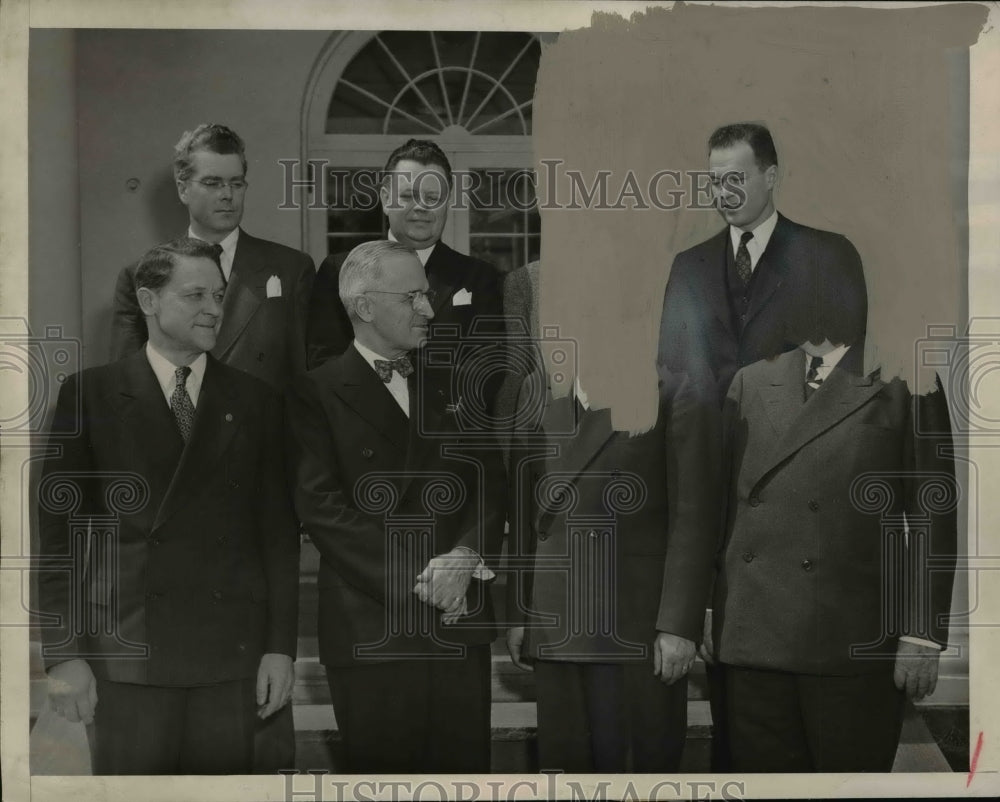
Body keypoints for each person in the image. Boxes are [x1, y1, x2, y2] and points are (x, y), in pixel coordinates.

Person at [38, 238, 300, 775]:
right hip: (126, 655)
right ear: (148, 301)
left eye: (220, 295)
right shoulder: (88, 396)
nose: (213, 308)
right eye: (195, 294)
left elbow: (277, 535)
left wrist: (280, 648)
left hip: (232, 657)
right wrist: (64, 655)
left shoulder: (256, 400)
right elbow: (61, 540)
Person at [656, 121, 870, 769]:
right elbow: (678, 393)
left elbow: (840, 384)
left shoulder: (828, 254)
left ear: (771, 176)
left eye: (737, 179)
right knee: (740, 730)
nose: (724, 193)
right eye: (714, 181)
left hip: (792, 496)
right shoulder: (687, 268)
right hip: (714, 498)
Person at [708, 264, 957, 771]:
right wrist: (707, 613)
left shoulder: (907, 378)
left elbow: (933, 515)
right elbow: (717, 514)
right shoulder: (750, 382)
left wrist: (922, 634)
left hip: (855, 646)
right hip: (753, 644)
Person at [287, 240, 505, 773]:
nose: (428, 309)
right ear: (363, 306)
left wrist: (464, 558)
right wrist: (425, 581)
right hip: (373, 625)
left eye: (426, 296)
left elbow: (494, 486)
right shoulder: (311, 392)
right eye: (412, 298)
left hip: (458, 622)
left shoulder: (458, 382)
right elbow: (321, 508)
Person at [504, 362, 721, 772]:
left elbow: (694, 516)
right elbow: (523, 508)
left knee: (635, 778)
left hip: (635, 630)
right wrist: (520, 611)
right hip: (556, 623)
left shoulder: (674, 388)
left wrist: (679, 624)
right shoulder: (538, 386)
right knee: (565, 777)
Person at [109, 123, 315, 392]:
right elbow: (126, 388)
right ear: (183, 190)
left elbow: (307, 381)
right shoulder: (139, 275)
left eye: (236, 184)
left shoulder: (291, 269)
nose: (227, 195)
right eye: (212, 183)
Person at [305, 139, 504, 375]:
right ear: (386, 199)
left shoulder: (480, 278)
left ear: (447, 202)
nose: (421, 207)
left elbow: (489, 370)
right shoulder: (338, 270)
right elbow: (325, 362)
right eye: (408, 196)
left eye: (432, 198)